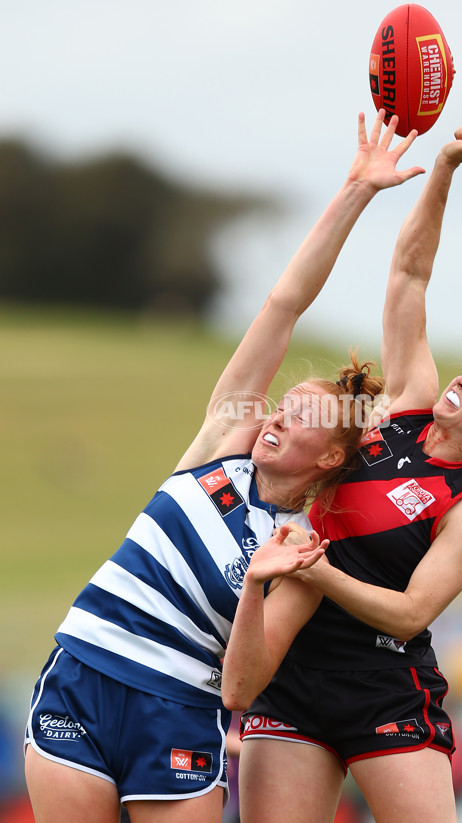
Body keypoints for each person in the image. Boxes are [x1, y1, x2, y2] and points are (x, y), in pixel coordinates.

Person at [22, 111, 426, 823]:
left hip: (178, 712)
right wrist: (357, 190)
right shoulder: (223, 444)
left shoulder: (305, 551)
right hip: (83, 673)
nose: (274, 416)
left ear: (332, 456)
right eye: (280, 405)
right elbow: (284, 303)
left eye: (299, 417)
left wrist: (259, 584)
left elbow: (241, 687)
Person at [221, 121, 462, 823]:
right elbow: (409, 273)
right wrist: (445, 166)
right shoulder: (408, 402)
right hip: (295, 671)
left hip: (383, 684)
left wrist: (316, 571)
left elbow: (415, 610)